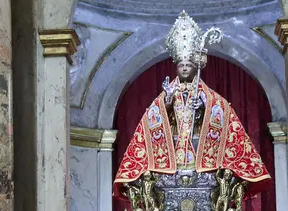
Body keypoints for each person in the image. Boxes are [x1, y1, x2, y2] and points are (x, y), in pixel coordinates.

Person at [113, 11, 271, 200]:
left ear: (195, 66)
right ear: (176, 67)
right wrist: (168, 102)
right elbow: (154, 119)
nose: (185, 68)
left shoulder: (208, 96)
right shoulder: (166, 94)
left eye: (188, 64)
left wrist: (204, 106)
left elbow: (222, 114)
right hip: (175, 149)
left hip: (199, 151)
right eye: (181, 65)